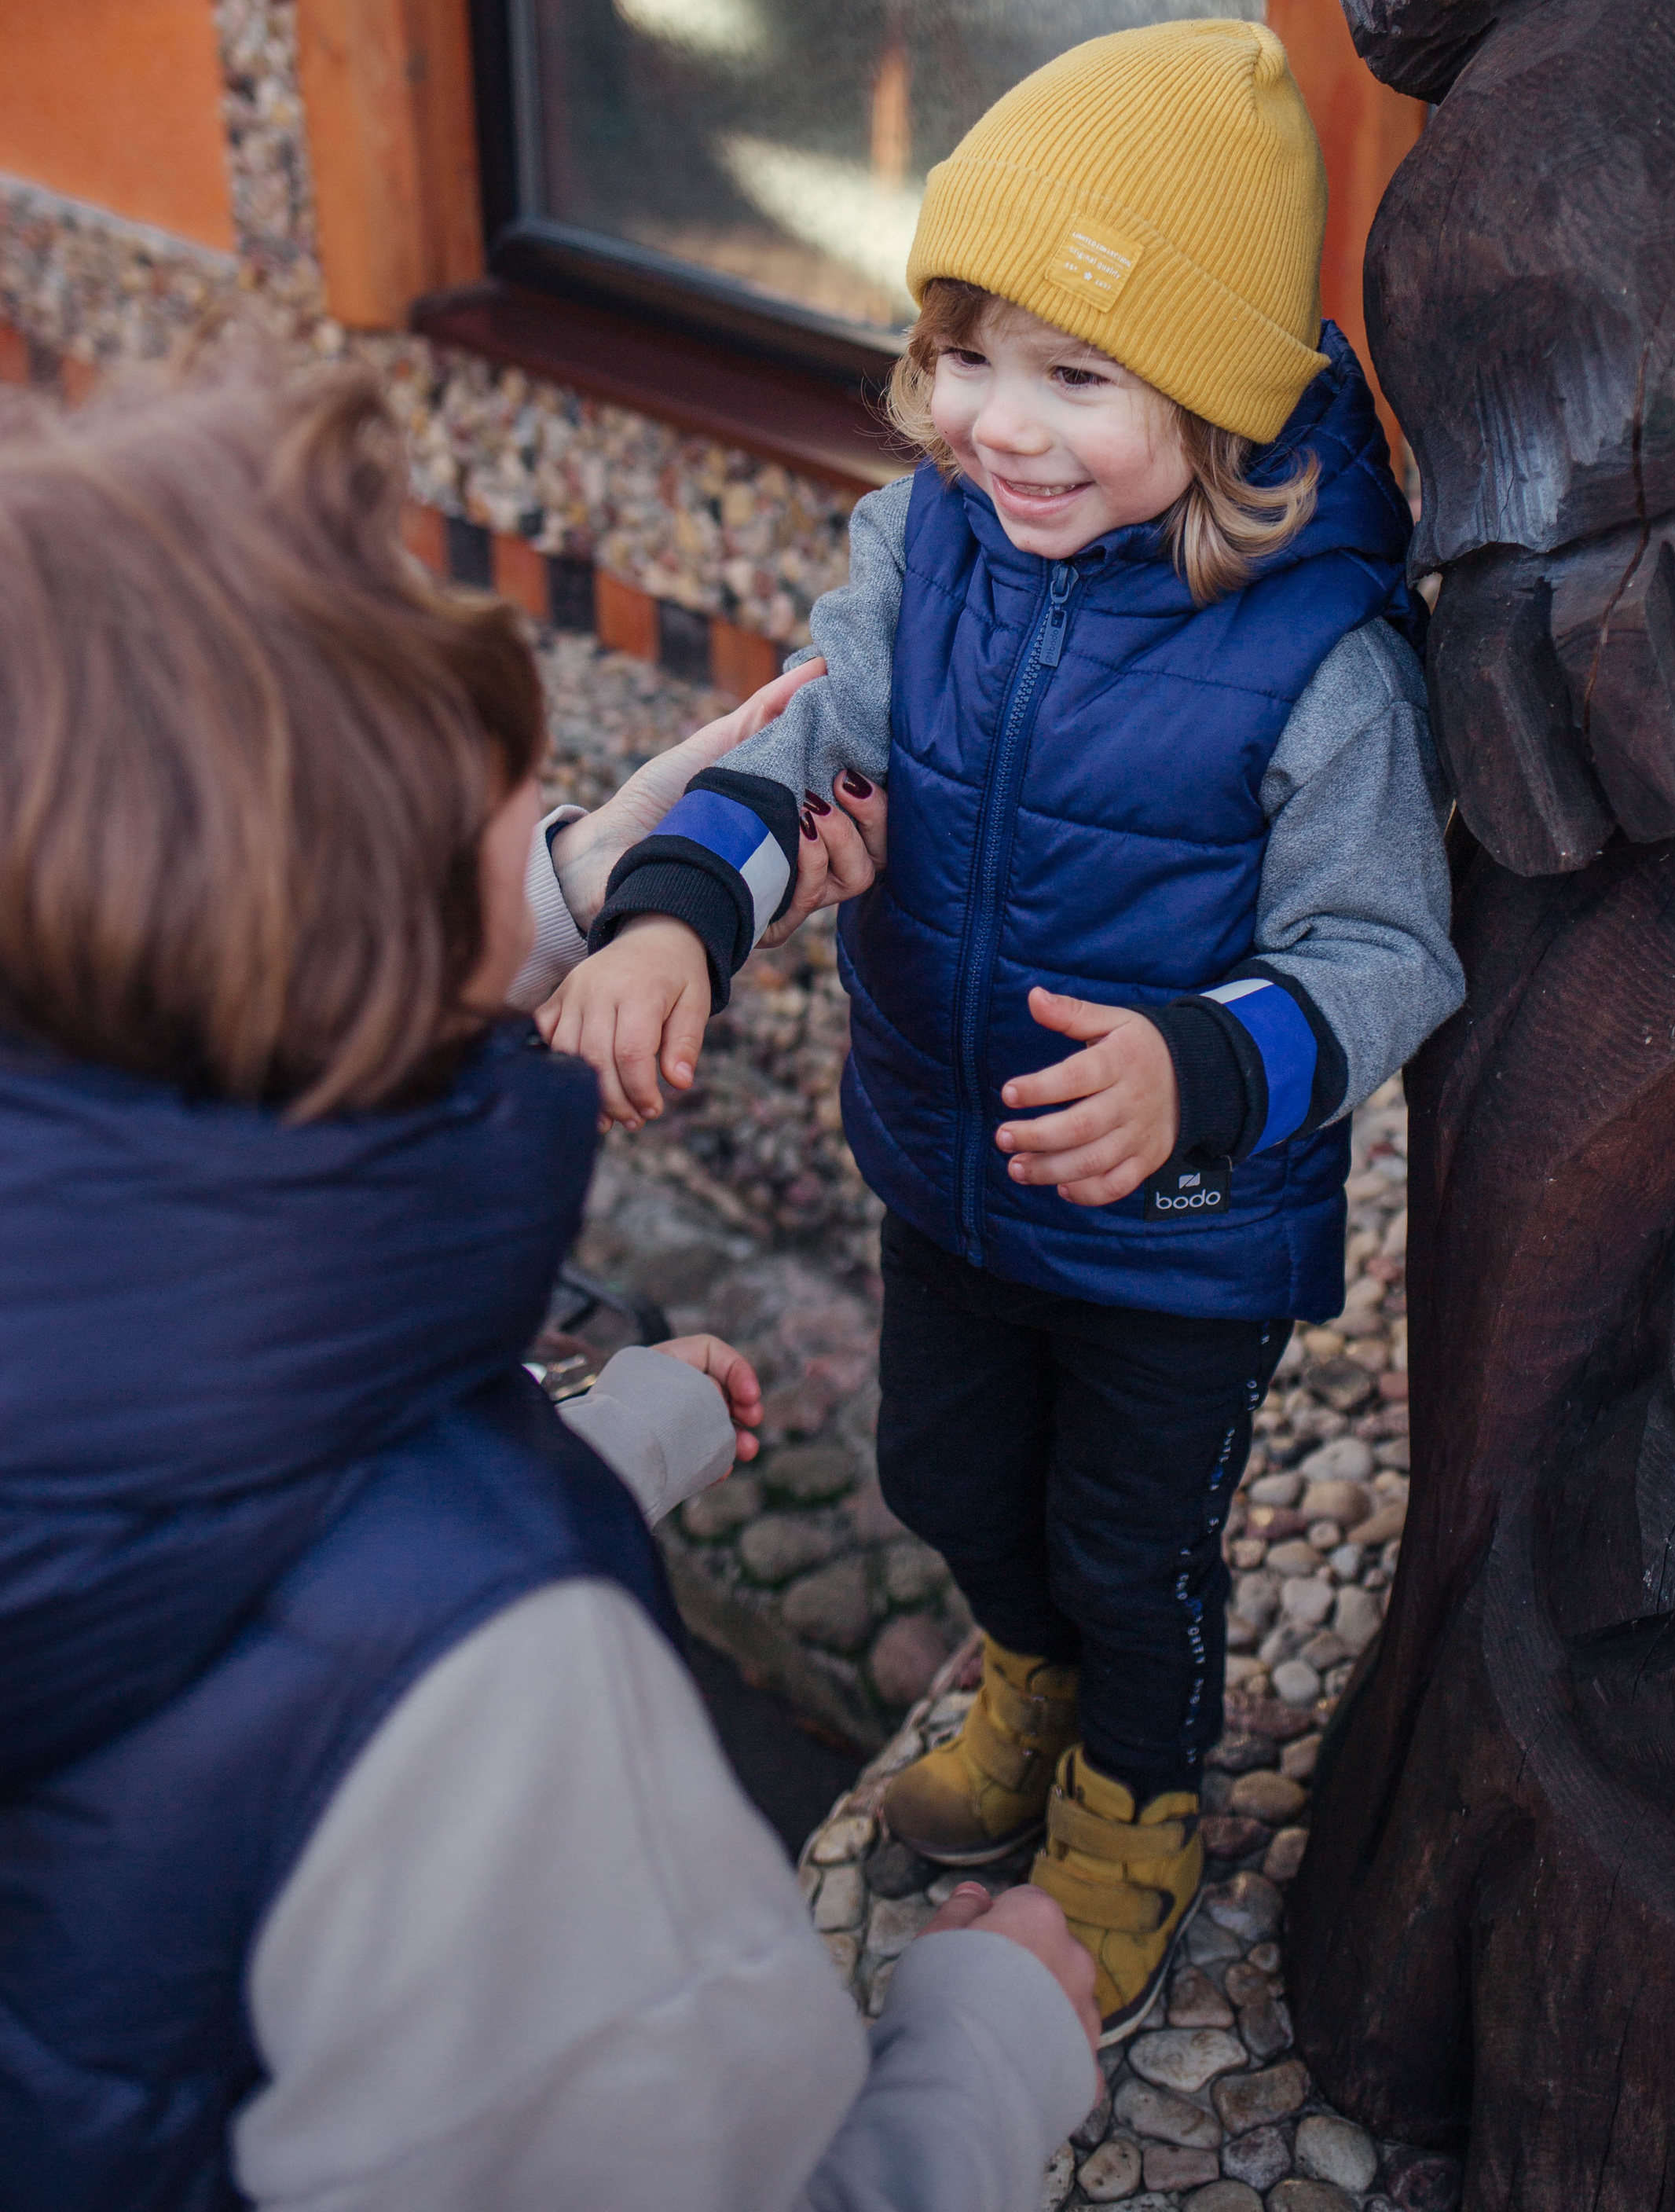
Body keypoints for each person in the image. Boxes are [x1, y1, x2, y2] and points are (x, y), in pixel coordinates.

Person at [0, 355, 1097, 2210]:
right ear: (404, 945)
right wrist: (980, 2050)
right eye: (510, 814)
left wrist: (569, 1446)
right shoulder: (504, 1676)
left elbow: (198, 1592)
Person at [540, 19, 1464, 2036]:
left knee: (1137, 1550)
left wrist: (1196, 1072)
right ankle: (1025, 1678)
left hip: (1172, 1237)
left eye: (1075, 377)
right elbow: (810, 748)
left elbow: (1387, 946)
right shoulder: (920, 548)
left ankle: (1132, 1816)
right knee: (954, 1479)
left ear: (1216, 403)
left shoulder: (1315, 659)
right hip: (947, 1165)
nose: (999, 428)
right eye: (966, 358)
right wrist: (681, 915)